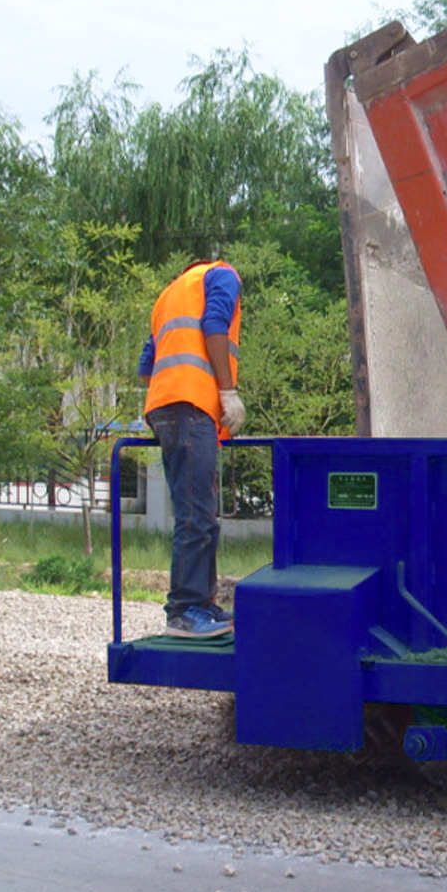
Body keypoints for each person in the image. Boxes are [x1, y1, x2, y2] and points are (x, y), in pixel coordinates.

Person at [138, 259, 245, 638]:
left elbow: (145, 364)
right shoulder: (222, 275)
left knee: (199, 512)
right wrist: (227, 391)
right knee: (196, 515)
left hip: (166, 405)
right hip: (191, 405)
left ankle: (201, 602)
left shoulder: (168, 295)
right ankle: (183, 611)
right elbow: (215, 324)